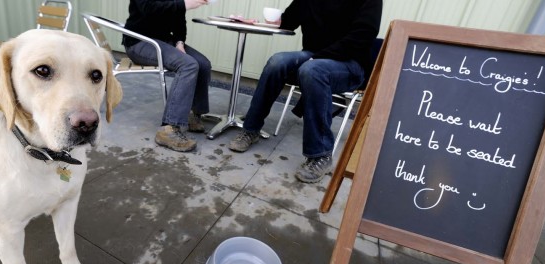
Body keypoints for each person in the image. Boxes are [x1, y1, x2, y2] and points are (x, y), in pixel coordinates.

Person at [228, 0, 382, 183]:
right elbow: (288, 21)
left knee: (312, 70)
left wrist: (317, 58)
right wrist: (256, 22)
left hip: (350, 64)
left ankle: (320, 155)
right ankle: (251, 130)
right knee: (277, 62)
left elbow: (364, 35)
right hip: (314, 57)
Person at [123, 0, 212, 152]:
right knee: (188, 65)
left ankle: (193, 114)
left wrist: (179, 42)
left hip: (164, 41)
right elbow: (149, 8)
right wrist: (184, 4)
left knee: (203, 64)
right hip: (140, 42)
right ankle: (169, 128)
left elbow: (179, 20)